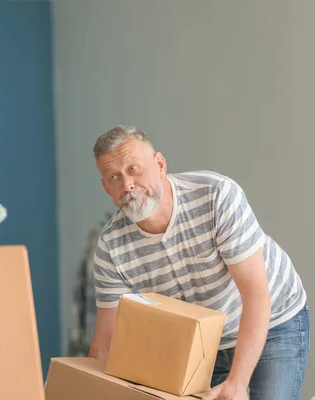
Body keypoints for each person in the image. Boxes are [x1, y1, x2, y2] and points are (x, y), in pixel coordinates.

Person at [89, 125, 309, 400]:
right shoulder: (111, 247)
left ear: (159, 164)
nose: (127, 185)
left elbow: (256, 294)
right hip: (203, 340)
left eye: (133, 169)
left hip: (273, 317)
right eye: (114, 177)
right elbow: (105, 343)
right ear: (105, 186)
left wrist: (238, 383)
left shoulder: (216, 195)